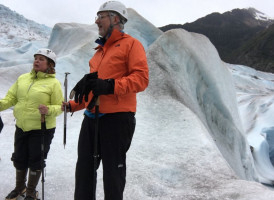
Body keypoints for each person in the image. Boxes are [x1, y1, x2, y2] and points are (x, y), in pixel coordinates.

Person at [63, 1, 149, 199]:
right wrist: (72, 105)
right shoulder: (99, 52)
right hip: (91, 119)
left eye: (100, 16)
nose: (96, 21)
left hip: (117, 120)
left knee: (113, 174)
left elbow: (141, 79)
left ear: (115, 18)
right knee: (84, 171)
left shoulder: (131, 45)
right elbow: (95, 92)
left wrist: (110, 86)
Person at [0, 48, 63, 200]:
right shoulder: (23, 78)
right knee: (19, 157)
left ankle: (31, 192)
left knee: (36, 159)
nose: (37, 61)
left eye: (42, 59)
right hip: (22, 125)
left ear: (50, 64)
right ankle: (20, 187)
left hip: (42, 128)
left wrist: (48, 109)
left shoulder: (54, 83)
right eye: (36, 58)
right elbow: (11, 98)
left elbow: (60, 107)